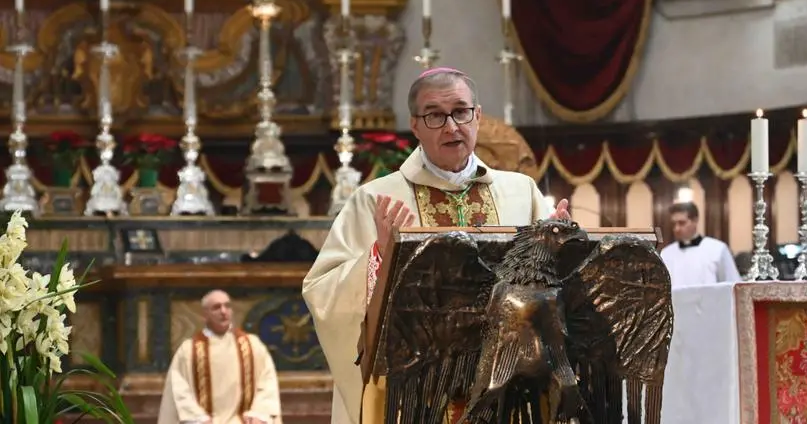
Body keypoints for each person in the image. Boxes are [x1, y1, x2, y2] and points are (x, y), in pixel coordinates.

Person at [302, 67, 570, 424]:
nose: (451, 126)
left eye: (461, 111)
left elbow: (553, 289)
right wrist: (379, 256)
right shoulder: (375, 199)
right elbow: (323, 292)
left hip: (504, 380)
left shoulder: (521, 191)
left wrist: (561, 245)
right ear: (415, 125)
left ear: (477, 116)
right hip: (415, 386)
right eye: (434, 115)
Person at [157, 289, 281, 424]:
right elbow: (179, 389)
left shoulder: (252, 345)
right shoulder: (188, 351)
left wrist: (258, 413)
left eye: (227, 306)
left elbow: (267, 381)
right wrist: (197, 417)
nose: (223, 311)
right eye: (216, 307)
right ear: (205, 315)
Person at [660, 201, 741, 288]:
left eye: (682, 223)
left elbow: (733, 285)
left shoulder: (717, 249)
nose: (676, 229)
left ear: (695, 220)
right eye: (674, 224)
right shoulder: (666, 254)